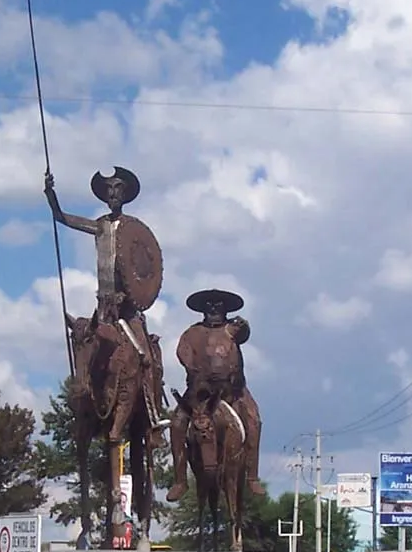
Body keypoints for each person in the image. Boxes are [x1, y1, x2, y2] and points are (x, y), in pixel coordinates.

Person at [44, 167, 159, 371]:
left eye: (117, 188)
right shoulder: (100, 226)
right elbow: (61, 217)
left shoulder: (132, 229)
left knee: (146, 358)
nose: (113, 193)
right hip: (104, 307)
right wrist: (50, 193)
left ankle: (151, 398)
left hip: (127, 308)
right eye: (109, 189)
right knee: (86, 349)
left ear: (125, 194)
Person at [166, 288, 266, 501]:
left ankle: (252, 476)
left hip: (233, 392)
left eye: (218, 306)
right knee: (176, 423)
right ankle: (180, 480)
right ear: (203, 309)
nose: (213, 310)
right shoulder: (191, 333)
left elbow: (244, 334)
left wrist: (244, 325)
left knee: (253, 420)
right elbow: (182, 354)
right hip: (200, 395)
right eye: (209, 306)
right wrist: (195, 372)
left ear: (225, 309)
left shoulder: (232, 329)